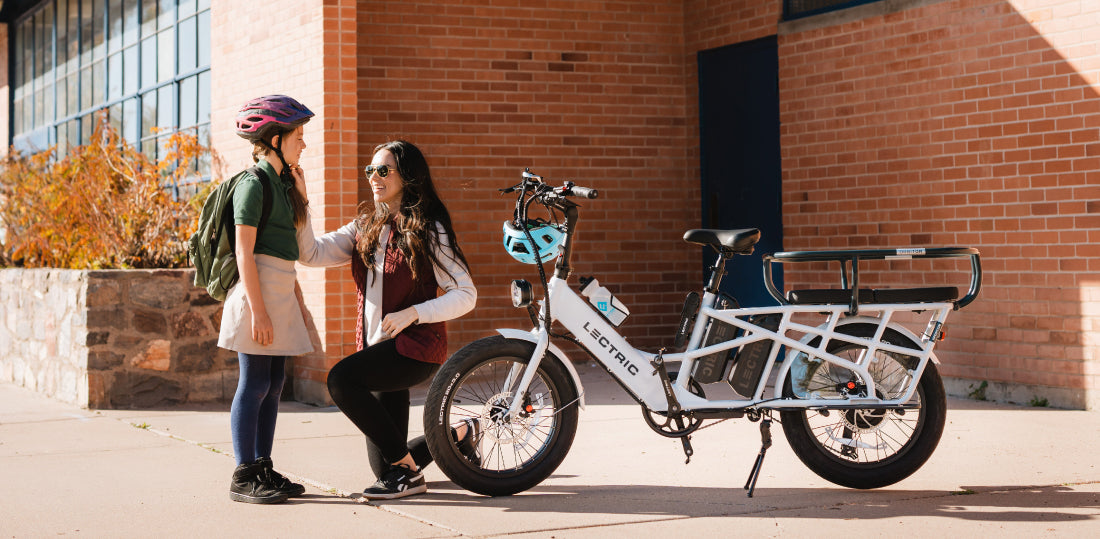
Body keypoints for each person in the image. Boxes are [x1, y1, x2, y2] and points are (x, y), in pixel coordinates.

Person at [295, 140, 477, 500]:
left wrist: (414, 313)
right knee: (386, 467)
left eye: (383, 170)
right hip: (378, 349)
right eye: (370, 170)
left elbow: (466, 294)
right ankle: (460, 433)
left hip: (414, 351)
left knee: (341, 379)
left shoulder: (429, 228)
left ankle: (409, 475)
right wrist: (301, 201)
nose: (373, 177)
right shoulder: (365, 225)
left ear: (407, 176)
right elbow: (310, 254)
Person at [218, 95, 315, 504]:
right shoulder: (252, 184)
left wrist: (303, 192)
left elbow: (299, 242)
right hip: (257, 294)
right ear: (275, 139)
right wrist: (258, 311)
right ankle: (243, 474)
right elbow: (245, 252)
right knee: (255, 382)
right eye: (298, 136)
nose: (303, 145)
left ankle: (262, 465)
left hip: (278, 291)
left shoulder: (282, 183)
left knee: (274, 384)